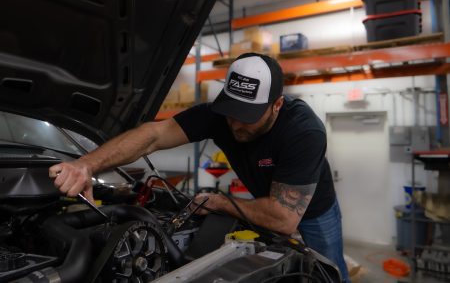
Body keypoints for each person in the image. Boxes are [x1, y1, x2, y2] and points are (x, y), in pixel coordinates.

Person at [49, 52, 350, 282]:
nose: (235, 123)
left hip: (314, 212)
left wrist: (221, 201)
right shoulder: (219, 116)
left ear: (277, 105)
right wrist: (86, 164)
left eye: (247, 115)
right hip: (264, 202)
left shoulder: (303, 131)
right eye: (231, 111)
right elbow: (153, 135)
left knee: (327, 269)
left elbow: (284, 219)